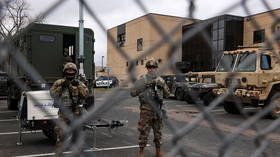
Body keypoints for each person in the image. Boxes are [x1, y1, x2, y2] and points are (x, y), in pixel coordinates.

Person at [131, 59, 170, 157]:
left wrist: (163, 87)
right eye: (149, 67)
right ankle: (141, 152)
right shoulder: (142, 79)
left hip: (158, 109)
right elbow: (133, 93)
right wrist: (146, 85)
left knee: (158, 132)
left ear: (156, 68)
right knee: (144, 131)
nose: (151, 69)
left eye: (153, 67)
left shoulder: (160, 80)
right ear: (147, 68)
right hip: (146, 110)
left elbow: (168, 94)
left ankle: (158, 152)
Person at [50, 62, 88, 152]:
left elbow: (85, 95)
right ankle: (60, 148)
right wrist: (61, 87)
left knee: (77, 131)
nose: (70, 72)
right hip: (63, 111)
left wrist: (78, 86)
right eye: (68, 70)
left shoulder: (78, 82)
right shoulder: (59, 82)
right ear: (65, 71)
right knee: (60, 130)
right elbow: (52, 94)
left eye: (72, 70)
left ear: (75, 72)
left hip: (76, 111)